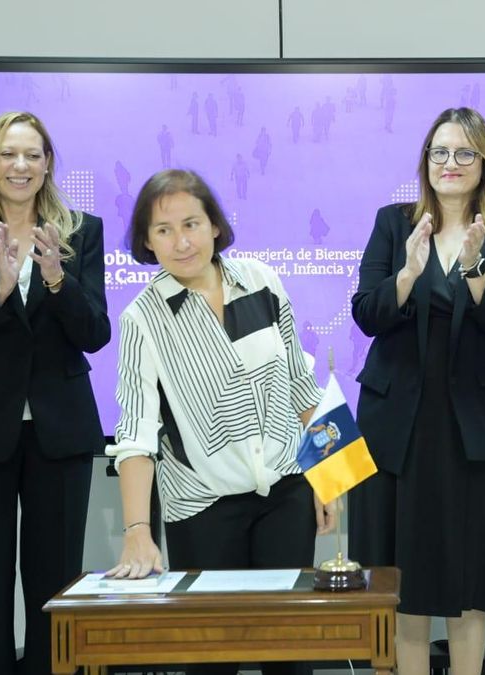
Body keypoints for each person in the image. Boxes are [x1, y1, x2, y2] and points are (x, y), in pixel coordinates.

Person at [105, 169, 336, 675]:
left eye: (192, 223)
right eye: (163, 230)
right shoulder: (143, 319)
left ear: (215, 226)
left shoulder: (260, 281)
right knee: (212, 662)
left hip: (286, 494)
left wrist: (328, 477)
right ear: (146, 240)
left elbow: (301, 381)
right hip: (202, 510)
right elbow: (137, 433)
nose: (181, 241)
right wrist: (137, 531)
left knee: (291, 660)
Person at [349, 107, 485, 675]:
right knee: (400, 577)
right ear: (424, 161)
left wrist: (475, 266)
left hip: (470, 427)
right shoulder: (393, 222)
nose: (449, 164)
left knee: (469, 571)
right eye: (439, 153)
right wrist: (407, 273)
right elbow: (366, 314)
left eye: (463, 154)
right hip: (395, 428)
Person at [0, 110, 109, 675]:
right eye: (8, 154)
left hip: (62, 434)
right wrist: (0, 290)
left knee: (55, 590)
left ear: (48, 163)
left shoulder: (82, 231)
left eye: (32, 154)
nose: (20, 166)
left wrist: (57, 278)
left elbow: (95, 334)